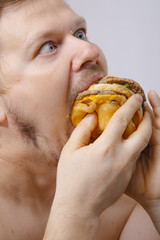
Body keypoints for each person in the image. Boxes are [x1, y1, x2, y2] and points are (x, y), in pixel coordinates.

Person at [0, 0, 159, 239]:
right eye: (48, 47)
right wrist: (74, 217)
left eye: (80, 33)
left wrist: (153, 204)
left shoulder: (123, 208)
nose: (91, 50)